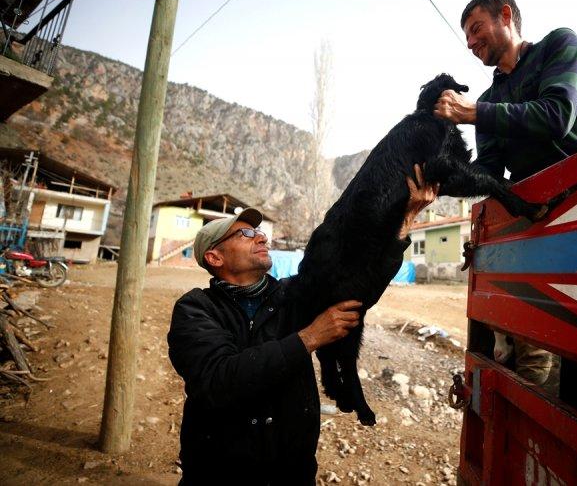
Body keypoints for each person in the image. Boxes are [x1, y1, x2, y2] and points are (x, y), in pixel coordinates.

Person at [167, 166, 438, 485]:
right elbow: (218, 381)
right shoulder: (196, 308)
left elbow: (361, 283)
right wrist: (309, 338)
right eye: (245, 234)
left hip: (291, 474)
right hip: (218, 476)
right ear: (215, 258)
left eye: (259, 231)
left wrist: (406, 219)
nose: (261, 237)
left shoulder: (291, 296)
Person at [434, 0, 577, 395]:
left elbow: (556, 116)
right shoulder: (490, 100)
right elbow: (489, 173)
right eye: (467, 36)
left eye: (476, 28)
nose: (470, 42)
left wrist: (473, 111)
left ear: (505, 15)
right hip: (540, 225)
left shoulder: (560, 45)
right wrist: (436, 177)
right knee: (537, 348)